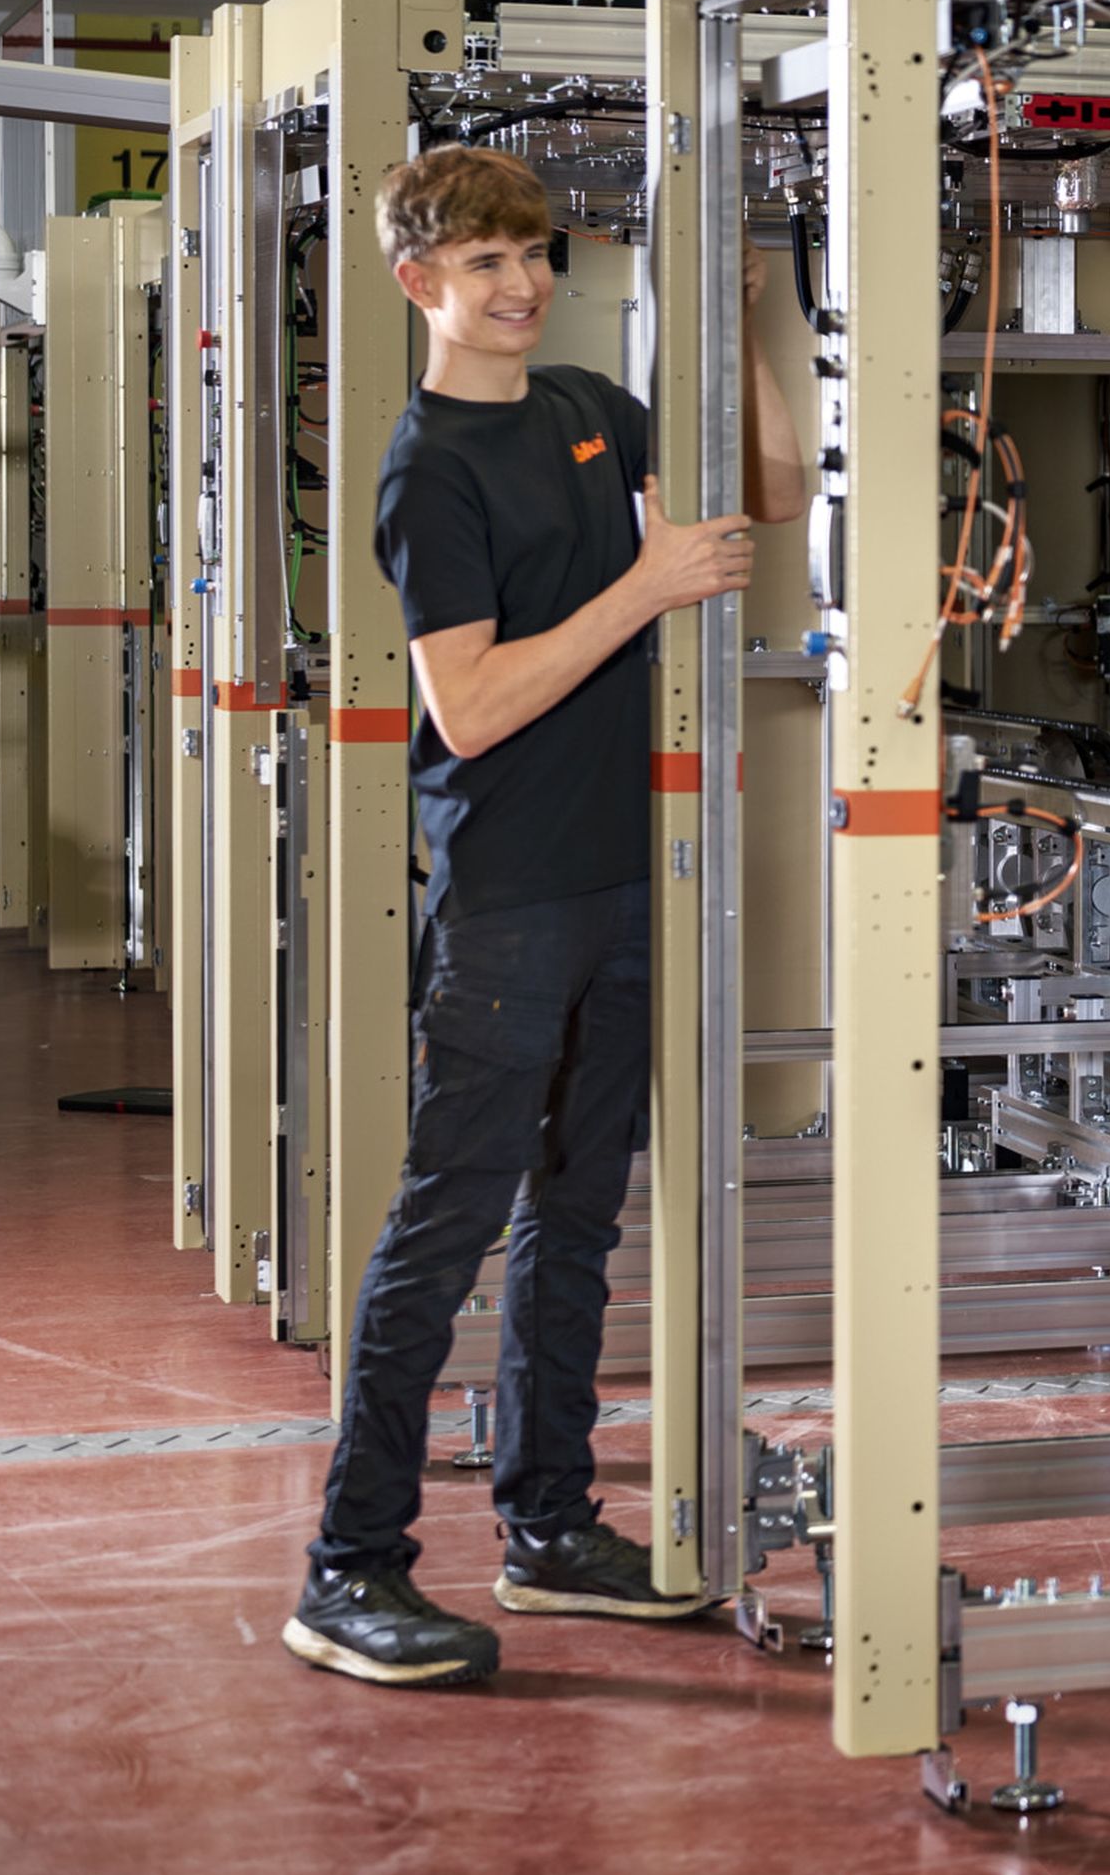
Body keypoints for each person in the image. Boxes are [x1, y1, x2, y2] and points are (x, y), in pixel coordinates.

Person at [283, 147, 806, 1688]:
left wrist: (745, 317)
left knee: (578, 1215)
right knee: (443, 1228)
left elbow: (765, 494)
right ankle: (349, 1566)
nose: (519, 285)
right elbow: (473, 696)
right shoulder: (425, 467)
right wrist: (644, 591)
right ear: (418, 282)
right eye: (484, 261)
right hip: (507, 893)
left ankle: (550, 1522)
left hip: (619, 882)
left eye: (534, 255)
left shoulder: (590, 408)